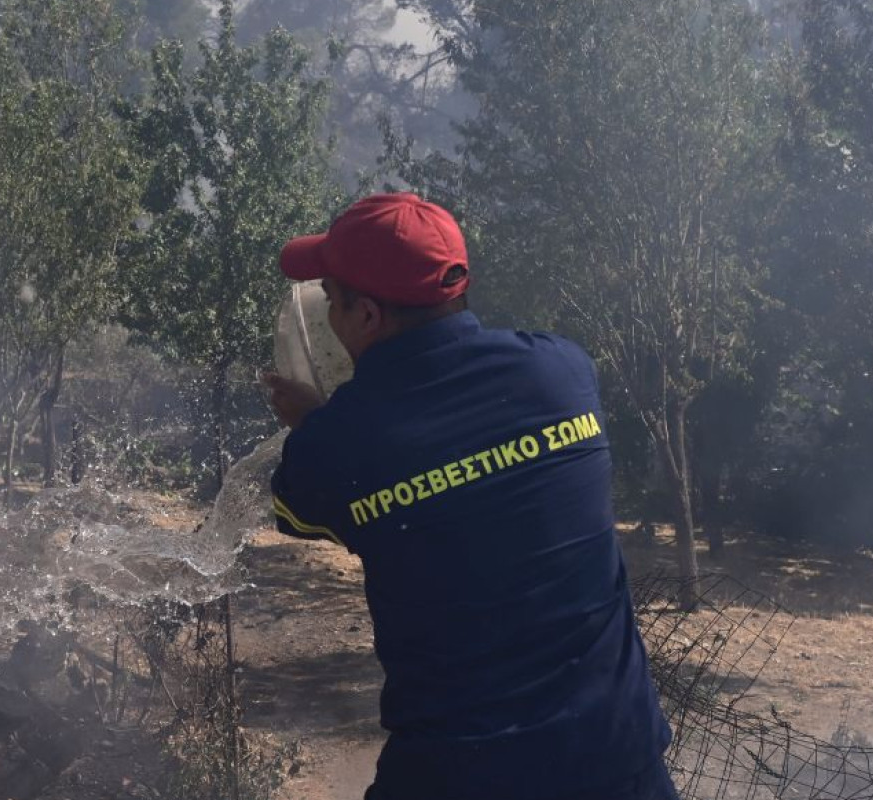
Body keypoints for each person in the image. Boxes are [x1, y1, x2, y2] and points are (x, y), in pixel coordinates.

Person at [262, 193, 675, 800]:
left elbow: (301, 514)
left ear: (367, 316)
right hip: (617, 763)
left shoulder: (337, 444)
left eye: (329, 298)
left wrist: (314, 424)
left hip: (458, 777)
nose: (326, 317)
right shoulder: (563, 372)